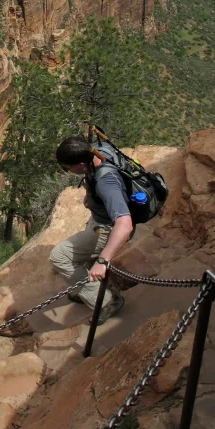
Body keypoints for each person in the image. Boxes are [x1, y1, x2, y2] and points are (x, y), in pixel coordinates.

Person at [50, 135, 134, 325]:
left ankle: (106, 301)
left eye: (67, 167)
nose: (67, 171)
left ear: (80, 164)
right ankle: (87, 286)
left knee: (59, 256)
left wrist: (103, 262)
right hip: (100, 219)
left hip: (106, 228)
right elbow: (91, 175)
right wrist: (90, 194)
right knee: (83, 253)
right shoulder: (95, 152)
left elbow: (125, 223)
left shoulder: (106, 182)